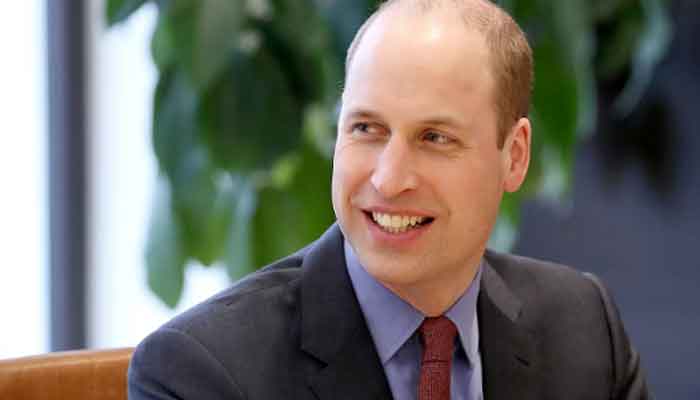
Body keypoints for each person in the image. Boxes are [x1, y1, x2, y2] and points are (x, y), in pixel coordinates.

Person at [128, 0, 650, 399]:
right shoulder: (201, 372)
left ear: (514, 157)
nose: (389, 178)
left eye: (435, 138)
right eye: (366, 128)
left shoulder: (585, 327)